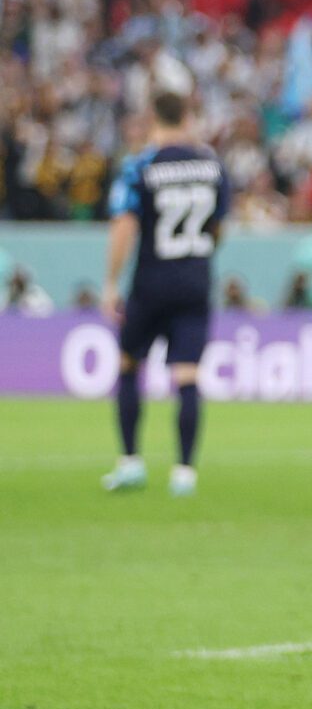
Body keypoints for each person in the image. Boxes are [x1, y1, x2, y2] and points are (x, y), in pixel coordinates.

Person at [100, 84, 230, 497]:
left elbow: (124, 225)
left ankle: (131, 463)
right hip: (195, 281)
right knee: (188, 376)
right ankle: (184, 474)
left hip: (152, 282)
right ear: (187, 117)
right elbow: (218, 227)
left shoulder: (140, 166)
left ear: (153, 117)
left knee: (128, 364)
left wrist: (110, 283)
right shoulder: (212, 166)